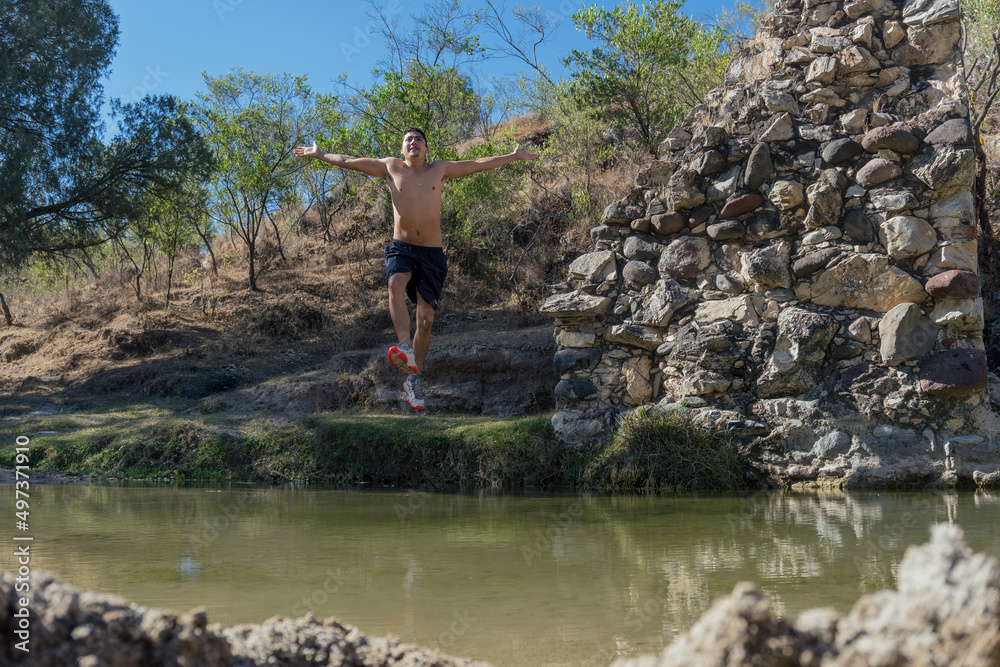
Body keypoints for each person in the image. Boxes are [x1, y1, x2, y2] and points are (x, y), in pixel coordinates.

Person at [294, 128, 539, 410]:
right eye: (408, 140)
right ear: (402, 149)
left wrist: (512, 156)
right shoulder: (390, 167)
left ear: (426, 149)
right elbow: (350, 161)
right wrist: (321, 154)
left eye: (419, 140)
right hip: (402, 247)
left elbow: (477, 164)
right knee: (394, 283)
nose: (413, 143)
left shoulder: (440, 169)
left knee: (425, 320)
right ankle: (404, 347)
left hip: (432, 254)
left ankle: (413, 378)